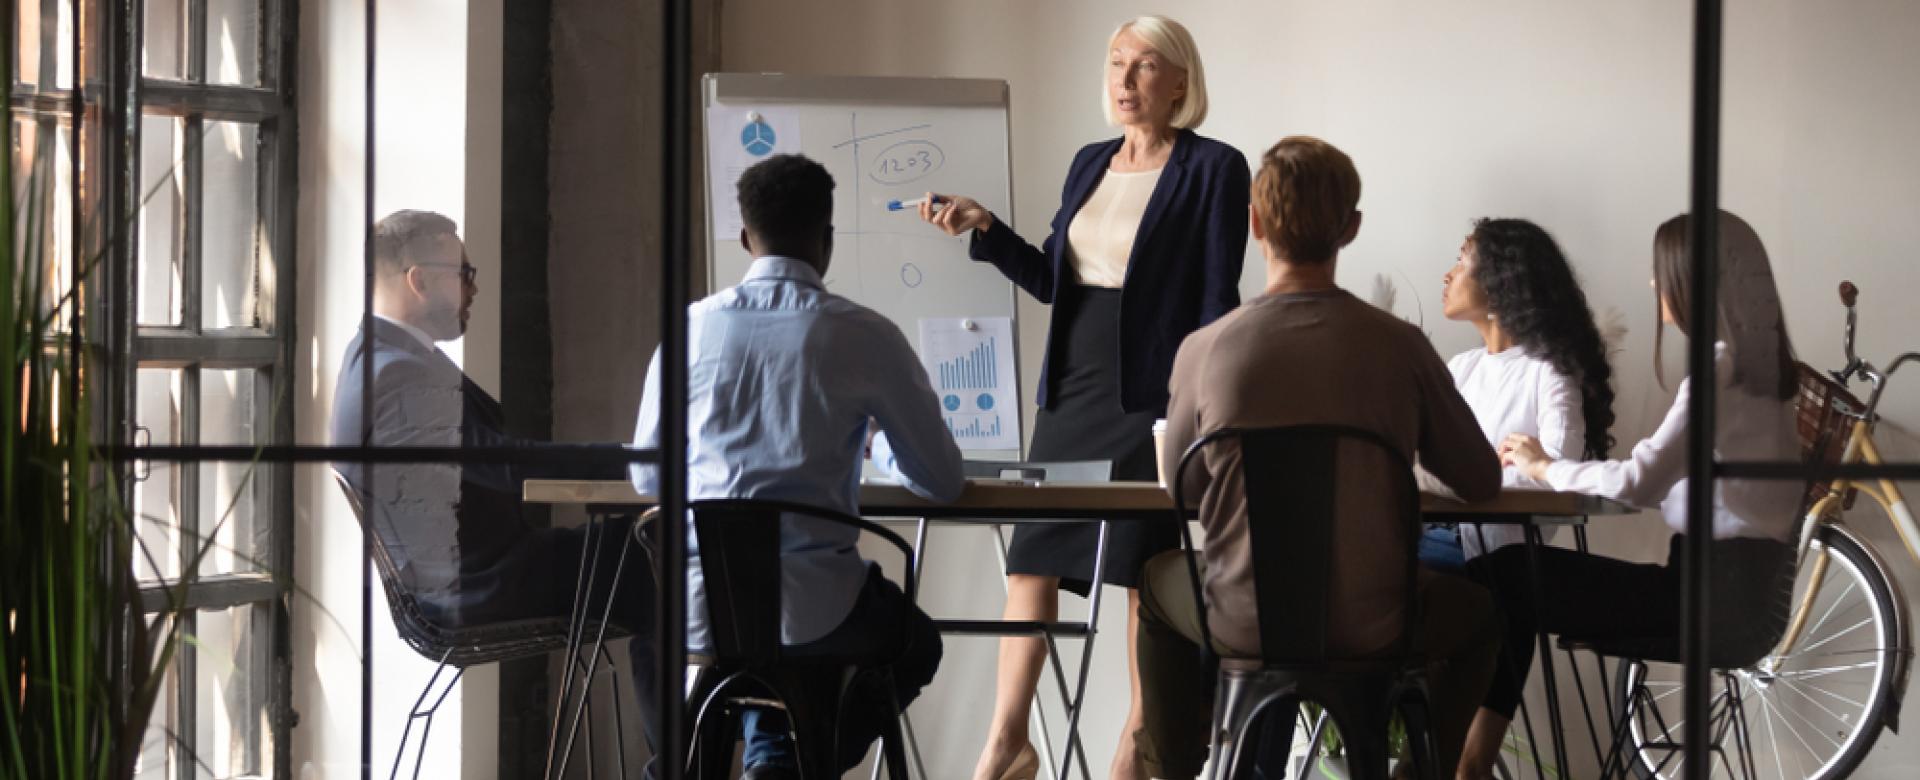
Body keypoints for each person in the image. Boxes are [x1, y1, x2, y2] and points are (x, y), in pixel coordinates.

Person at [916, 15, 1250, 779]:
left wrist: (1193, 411)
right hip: (1070, 389)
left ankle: (1138, 750)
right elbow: (1056, 282)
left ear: (1180, 82)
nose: (1125, 81)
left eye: (1144, 66)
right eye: (1116, 64)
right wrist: (988, 228)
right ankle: (1009, 741)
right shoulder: (1088, 163)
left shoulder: (1214, 168)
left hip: (1152, 395)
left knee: (1140, 575)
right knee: (1031, 562)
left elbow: (1215, 301)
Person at [1144, 136, 1503, 780]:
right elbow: (1479, 479)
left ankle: (1172, 769)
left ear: (1254, 221)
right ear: (1352, 228)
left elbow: (1186, 491)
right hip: (1376, 623)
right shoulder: (1401, 347)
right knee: (1481, 615)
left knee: (1155, 588)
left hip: (1241, 620)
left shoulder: (1204, 348)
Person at [631, 153, 965, 780]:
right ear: (828, 240)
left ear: (745, 238)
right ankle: (793, 757)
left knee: (659, 632)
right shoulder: (866, 335)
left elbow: (648, 480)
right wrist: (878, 447)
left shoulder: (688, 329)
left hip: (700, 610)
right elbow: (943, 482)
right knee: (915, 643)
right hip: (820, 613)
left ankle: (684, 763)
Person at [1457, 211, 1802, 778]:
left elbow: (1638, 482)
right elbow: (1664, 482)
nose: (1651, 283)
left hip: (1703, 602)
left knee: (1508, 574)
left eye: (1659, 270)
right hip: (1739, 601)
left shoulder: (1721, 371)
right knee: (1514, 575)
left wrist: (1546, 466)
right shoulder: (1767, 377)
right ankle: (1470, 763)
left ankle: (1462, 761)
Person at [329, 210, 658, 748]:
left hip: (476, 573)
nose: (475, 287)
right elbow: (507, 462)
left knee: (650, 543)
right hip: (476, 587)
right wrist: (642, 459)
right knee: (661, 555)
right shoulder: (395, 375)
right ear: (419, 279)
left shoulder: (377, 359)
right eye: (464, 271)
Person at [1419, 218, 1617, 573]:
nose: (1448, 275)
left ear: (1499, 284)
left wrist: (1474, 475)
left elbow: (1558, 470)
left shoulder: (1548, 370)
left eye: (1462, 262)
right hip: (1426, 532)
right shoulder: (1461, 367)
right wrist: (1483, 471)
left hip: (1486, 555)